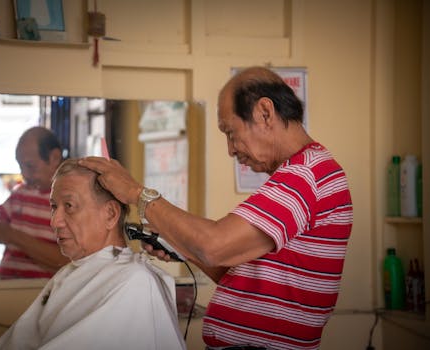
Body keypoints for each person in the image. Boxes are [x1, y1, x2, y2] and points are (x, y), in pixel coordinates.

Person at [79, 66, 354, 350]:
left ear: (264, 113)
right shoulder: (303, 174)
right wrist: (183, 247)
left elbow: (214, 245)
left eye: (230, 132)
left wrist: (138, 194)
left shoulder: (306, 175)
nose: (231, 150)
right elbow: (236, 274)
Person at [0, 159, 186, 349]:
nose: (55, 221)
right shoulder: (71, 273)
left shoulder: (133, 283)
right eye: (54, 207)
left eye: (69, 206)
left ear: (111, 215)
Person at [0, 126, 69, 279]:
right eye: (21, 166)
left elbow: (67, 262)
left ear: (55, 158)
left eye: (30, 166)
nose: (24, 174)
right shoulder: (20, 195)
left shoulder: (71, 201)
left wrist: (11, 235)